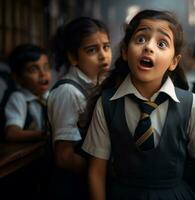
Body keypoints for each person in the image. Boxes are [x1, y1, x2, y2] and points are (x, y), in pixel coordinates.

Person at [82, 10, 195, 200]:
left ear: (174, 61)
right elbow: (96, 172)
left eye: (162, 43)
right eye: (141, 39)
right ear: (125, 52)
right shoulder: (106, 104)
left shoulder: (192, 105)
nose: (149, 47)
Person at [47, 17, 112, 199]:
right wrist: (103, 174)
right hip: (73, 186)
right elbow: (64, 157)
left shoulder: (99, 84)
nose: (103, 55)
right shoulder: (67, 92)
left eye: (106, 47)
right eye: (92, 50)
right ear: (73, 57)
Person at [4, 44, 51, 142]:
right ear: (17, 77)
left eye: (46, 67)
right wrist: (47, 134)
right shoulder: (18, 98)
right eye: (33, 69)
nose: (43, 73)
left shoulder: (50, 96)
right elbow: (12, 133)